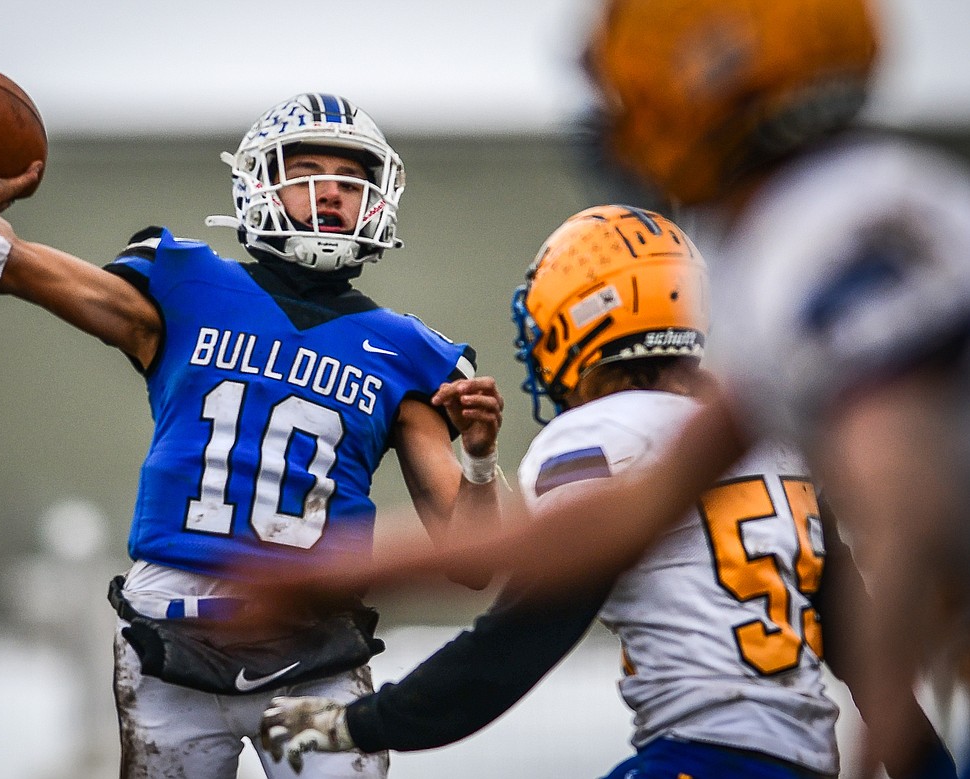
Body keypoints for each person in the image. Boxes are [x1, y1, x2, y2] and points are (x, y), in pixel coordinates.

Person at [246, 1, 970, 774]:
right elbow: (850, 628)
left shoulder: (813, 237)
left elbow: (534, 622)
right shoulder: (773, 384)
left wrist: (367, 715)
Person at [0, 91, 504, 779]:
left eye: (350, 180)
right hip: (171, 633)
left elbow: (473, 562)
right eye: (307, 171)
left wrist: (480, 457)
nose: (331, 193)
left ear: (377, 198)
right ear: (258, 184)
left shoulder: (405, 351)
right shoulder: (184, 282)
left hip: (315, 647)